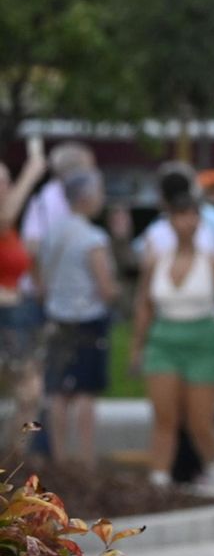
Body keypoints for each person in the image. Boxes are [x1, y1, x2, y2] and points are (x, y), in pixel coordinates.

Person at [129, 192, 214, 491]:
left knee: (201, 421)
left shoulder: (212, 262)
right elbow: (144, 305)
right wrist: (137, 347)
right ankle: (158, 479)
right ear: (170, 221)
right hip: (164, 340)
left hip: (203, 339)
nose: (185, 222)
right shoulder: (156, 262)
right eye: (179, 215)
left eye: (191, 215)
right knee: (165, 418)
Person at [36, 169, 118, 466]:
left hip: (57, 318)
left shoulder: (52, 233)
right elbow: (106, 288)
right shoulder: (92, 237)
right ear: (86, 197)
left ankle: (59, 460)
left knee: (57, 391)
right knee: (84, 392)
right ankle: (85, 461)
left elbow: (42, 283)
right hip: (88, 319)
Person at [0, 138, 49, 451]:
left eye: (5, 180)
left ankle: (15, 462)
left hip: (16, 315)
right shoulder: (4, 222)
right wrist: (32, 169)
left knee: (29, 392)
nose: (4, 186)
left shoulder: (10, 230)